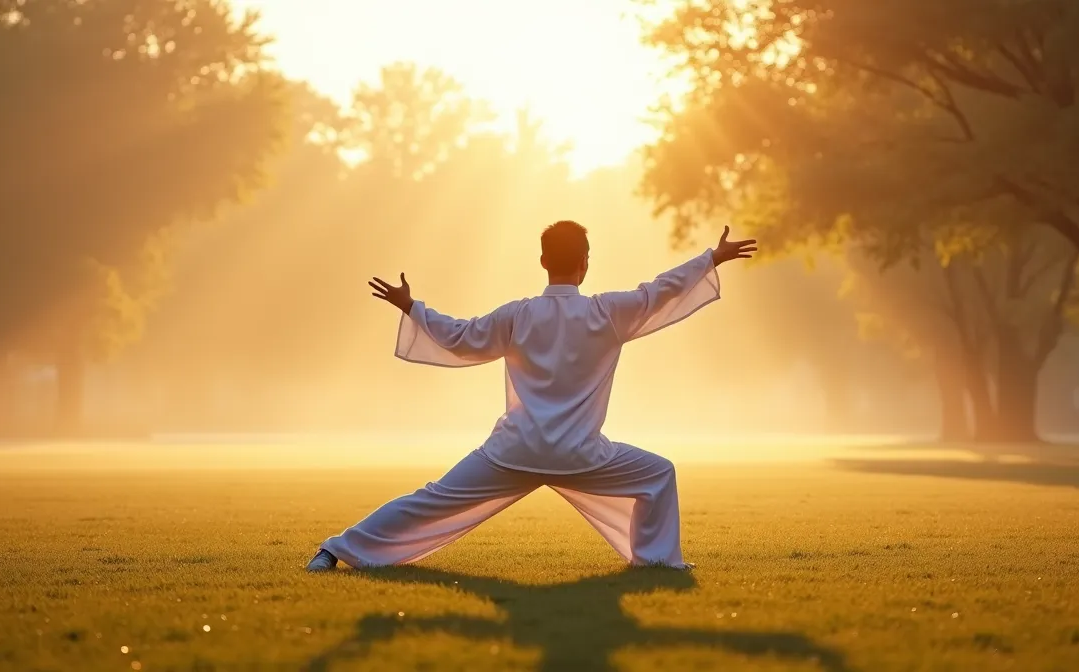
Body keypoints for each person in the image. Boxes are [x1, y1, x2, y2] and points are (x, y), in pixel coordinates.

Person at [307, 220, 756, 571]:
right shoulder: (608, 312)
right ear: (585, 263)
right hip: (581, 456)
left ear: (543, 262)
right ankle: (657, 562)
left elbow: (460, 336)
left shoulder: (518, 315)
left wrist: (411, 306)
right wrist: (711, 258)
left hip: (513, 451)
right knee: (658, 475)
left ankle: (333, 552)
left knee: (431, 499)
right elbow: (660, 290)